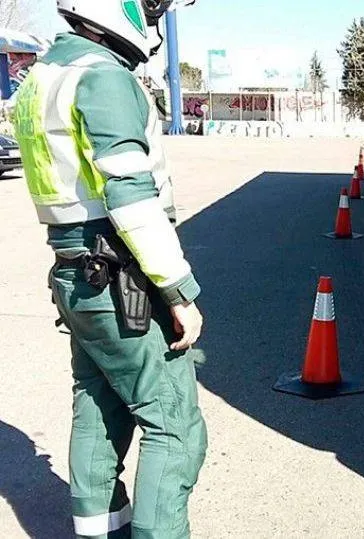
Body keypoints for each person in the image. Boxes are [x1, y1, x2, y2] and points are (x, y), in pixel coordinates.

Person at [12, 1, 206, 537]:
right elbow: (130, 196)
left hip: (73, 270)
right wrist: (179, 291)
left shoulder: (41, 79)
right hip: (119, 273)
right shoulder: (103, 77)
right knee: (174, 425)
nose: (151, 16)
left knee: (99, 405)